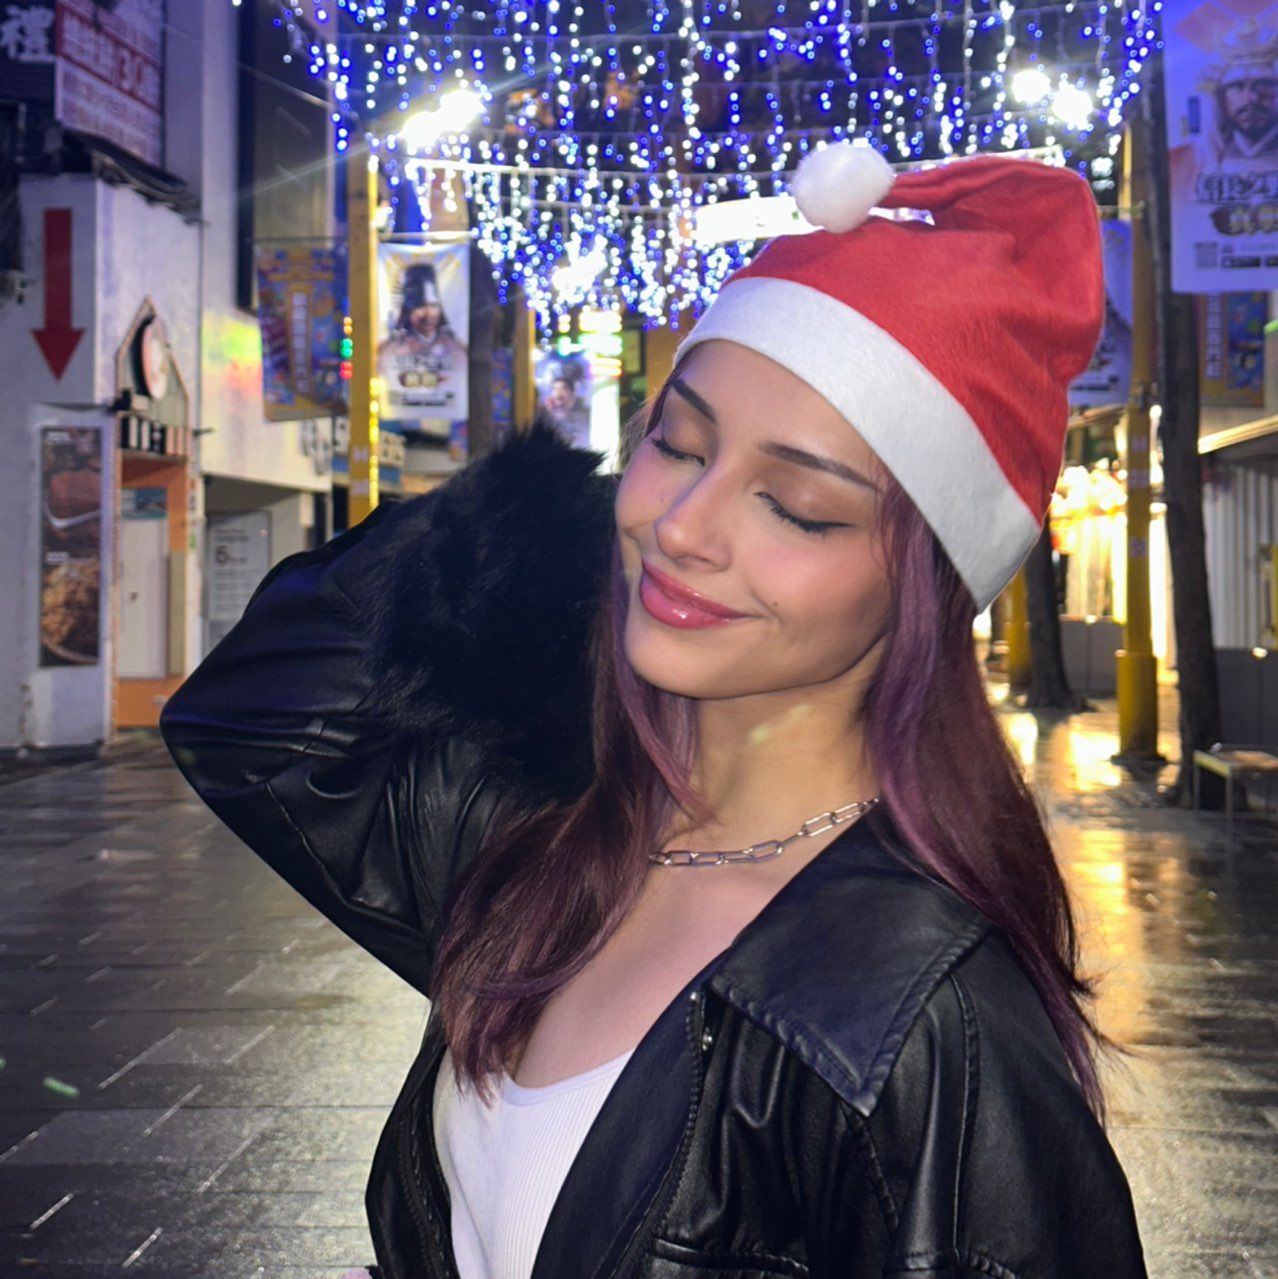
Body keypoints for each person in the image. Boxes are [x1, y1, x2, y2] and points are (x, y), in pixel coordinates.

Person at [161, 145, 1148, 1279]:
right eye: (676, 443)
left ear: (925, 585)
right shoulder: (560, 840)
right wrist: (539, 528)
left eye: (795, 506)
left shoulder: (927, 1028)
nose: (683, 524)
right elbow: (254, 717)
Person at [377, 261, 468, 409]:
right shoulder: (389, 349)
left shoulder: (456, 348)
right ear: (407, 309)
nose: (428, 313)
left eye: (433, 305)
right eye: (420, 306)